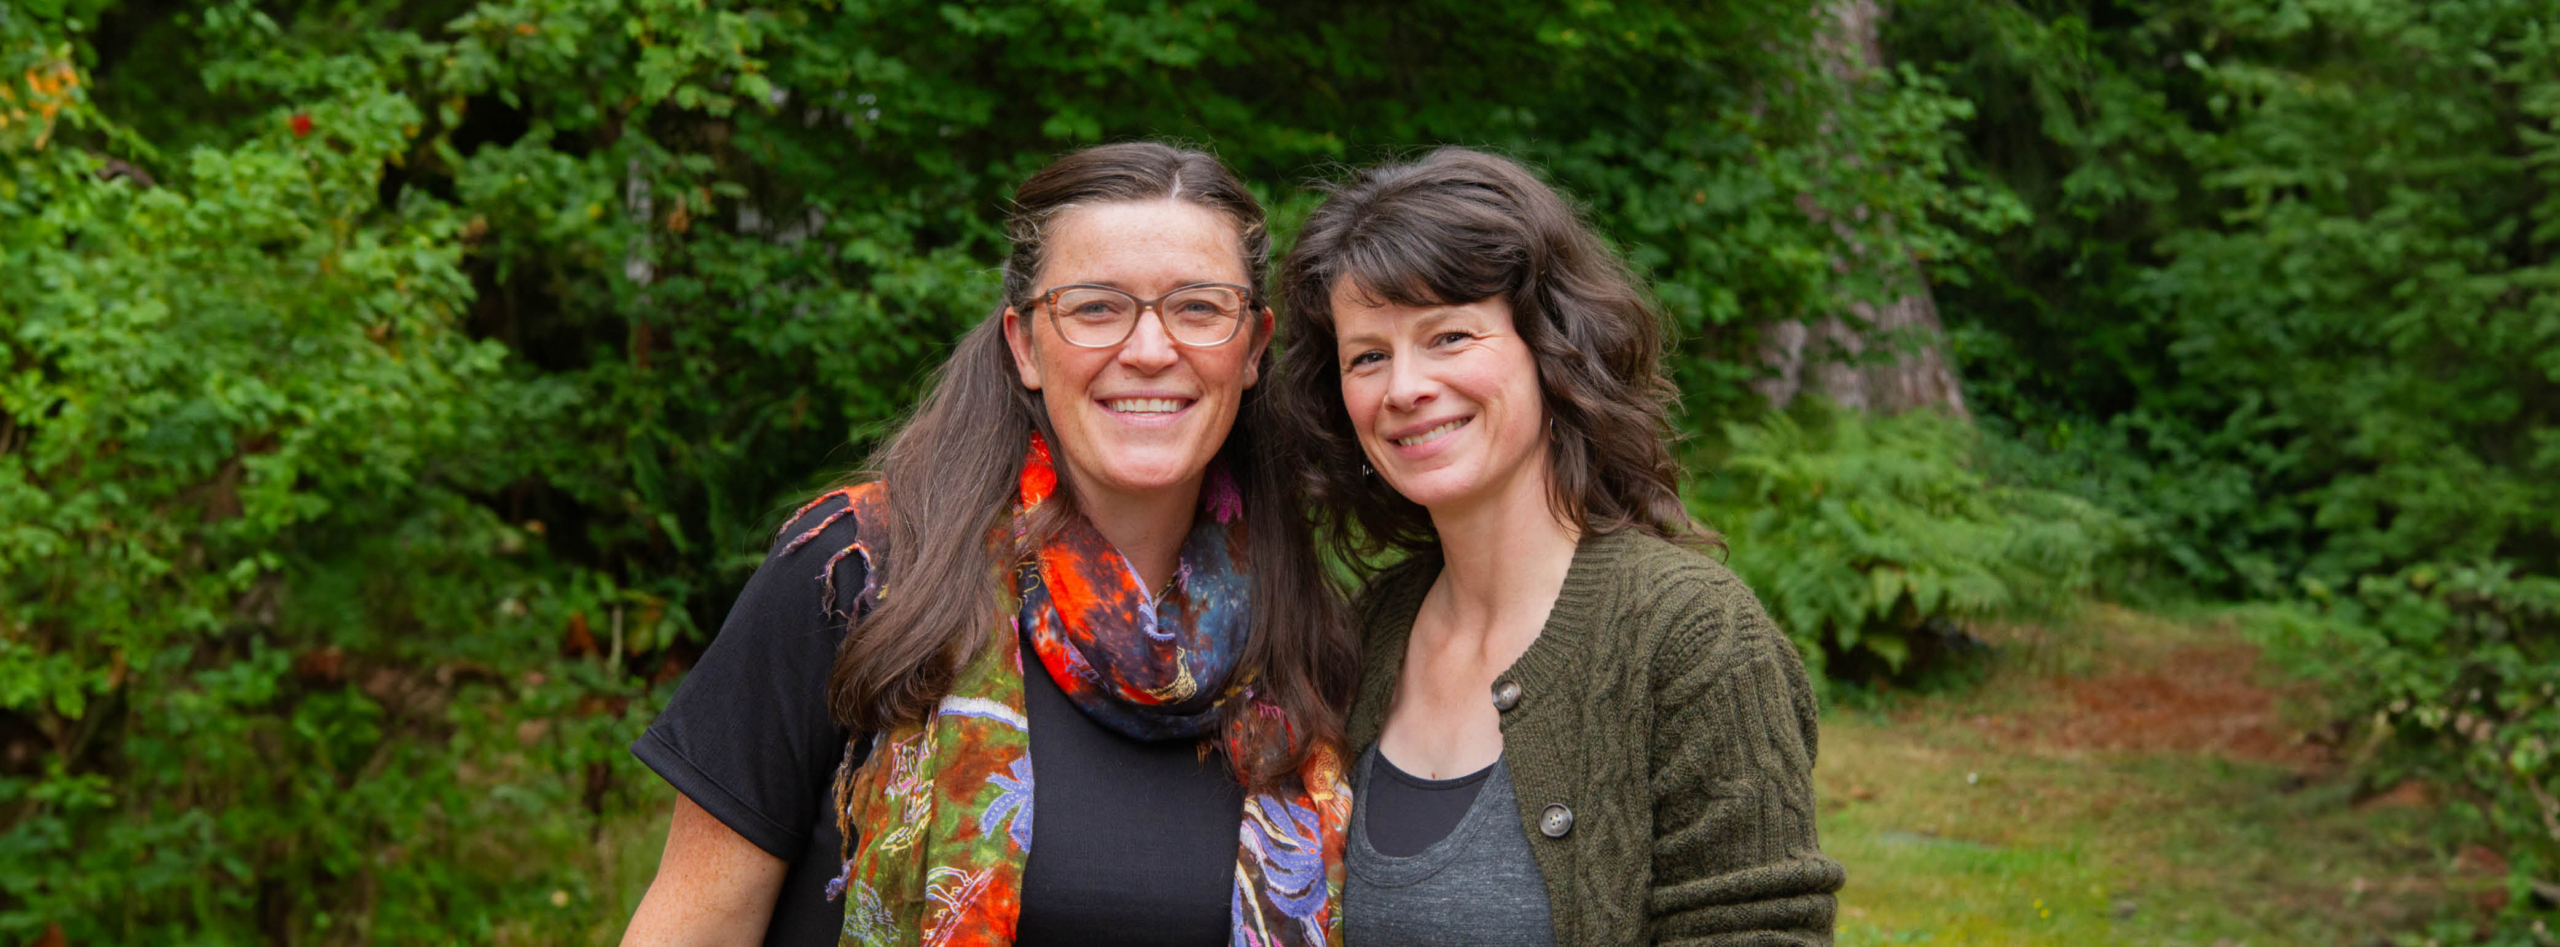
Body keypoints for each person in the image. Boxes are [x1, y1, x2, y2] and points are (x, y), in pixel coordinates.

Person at [621, 142, 1359, 947]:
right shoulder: (859, 576)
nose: (1150, 349)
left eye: (1198, 307)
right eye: (1095, 307)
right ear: (1023, 343)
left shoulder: (1307, 635)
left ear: (1252, 348)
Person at [1272, 147, 1845, 946]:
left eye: (1447, 336)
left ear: (1552, 349)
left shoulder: (1691, 638)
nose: (1403, 387)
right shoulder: (1369, 630)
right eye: (1368, 355)